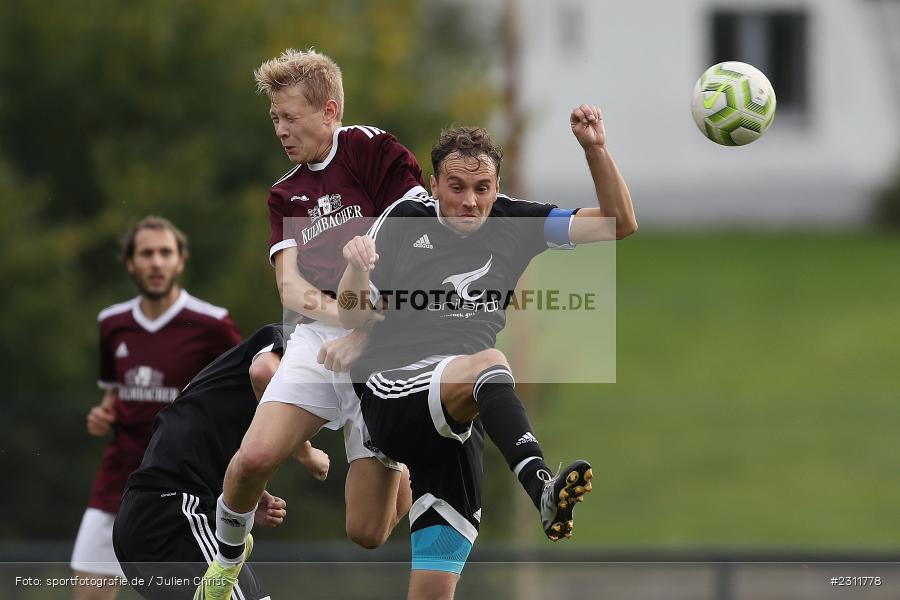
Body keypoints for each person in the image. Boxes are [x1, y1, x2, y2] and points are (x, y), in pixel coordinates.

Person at [337, 105, 637, 599]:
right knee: (491, 363)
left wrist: (596, 149)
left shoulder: (514, 220)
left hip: (457, 419)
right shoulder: (404, 219)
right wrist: (355, 268)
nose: (470, 201)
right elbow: (351, 315)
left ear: (498, 187)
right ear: (433, 185)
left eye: (482, 188)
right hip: (395, 388)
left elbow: (618, 224)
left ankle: (404, 472)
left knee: (398, 559)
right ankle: (542, 487)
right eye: (456, 187)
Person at [196, 49, 420, 599]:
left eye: (291, 117)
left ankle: (399, 465)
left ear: (329, 111)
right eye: (274, 118)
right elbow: (291, 290)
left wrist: (369, 332)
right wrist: (348, 320)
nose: (280, 130)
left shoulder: (373, 150)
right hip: (318, 335)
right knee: (252, 460)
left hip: (386, 343)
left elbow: (418, 243)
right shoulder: (285, 193)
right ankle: (226, 564)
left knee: (366, 533)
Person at [73, 216, 242, 600]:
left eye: (165, 253)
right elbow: (114, 394)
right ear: (130, 263)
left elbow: (249, 387)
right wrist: (103, 414)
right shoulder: (112, 323)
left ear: (181, 260)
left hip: (182, 489)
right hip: (117, 483)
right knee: (89, 594)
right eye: (146, 254)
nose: (156, 262)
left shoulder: (211, 324)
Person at [113, 324, 329, 599]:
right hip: (175, 514)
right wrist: (304, 450)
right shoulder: (295, 337)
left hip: (159, 513)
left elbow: (198, 435)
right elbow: (263, 374)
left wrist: (239, 498)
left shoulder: (225, 378)